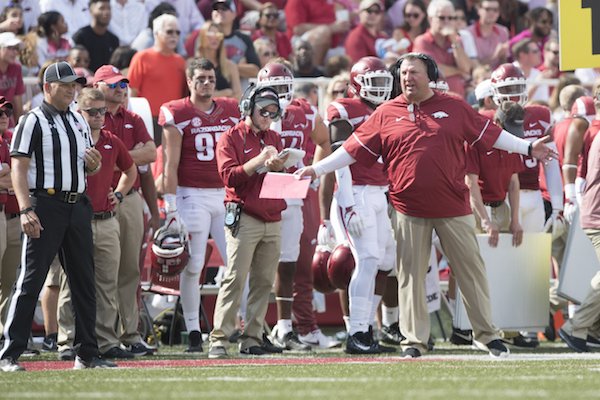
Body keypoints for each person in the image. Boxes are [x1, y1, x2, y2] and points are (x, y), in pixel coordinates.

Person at [296, 52, 557, 359]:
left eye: (414, 72)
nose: (407, 78)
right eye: (403, 73)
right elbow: (352, 150)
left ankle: (486, 335)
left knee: (471, 271)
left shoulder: (454, 105)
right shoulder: (385, 112)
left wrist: (528, 147)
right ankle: (414, 340)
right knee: (409, 277)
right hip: (408, 208)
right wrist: (318, 168)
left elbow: (493, 135)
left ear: (430, 75)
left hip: (454, 207)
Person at [0, 61, 113, 372]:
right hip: (45, 204)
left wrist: (94, 165)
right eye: (64, 85)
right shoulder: (32, 121)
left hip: (77, 205)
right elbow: (19, 168)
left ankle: (87, 353)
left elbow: (90, 165)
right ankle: (9, 353)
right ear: (47, 87)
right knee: (31, 279)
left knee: (84, 281)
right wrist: (25, 208)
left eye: (73, 85)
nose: (70, 90)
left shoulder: (78, 121)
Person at [159, 57, 240, 353]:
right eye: (200, 79)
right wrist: (170, 205)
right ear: (190, 81)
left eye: (210, 78)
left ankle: (231, 325)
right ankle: (193, 330)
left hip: (225, 195)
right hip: (191, 195)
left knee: (236, 263)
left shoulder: (230, 109)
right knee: (193, 266)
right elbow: (170, 162)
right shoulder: (177, 111)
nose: (206, 83)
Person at [255, 60, 332, 351]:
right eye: (272, 88)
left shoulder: (304, 112)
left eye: (282, 88)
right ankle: (248, 327)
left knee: (289, 262)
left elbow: (324, 141)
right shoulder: (251, 113)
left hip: (291, 192)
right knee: (253, 264)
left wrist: (314, 172)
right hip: (259, 193)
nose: (278, 93)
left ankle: (285, 327)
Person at [324, 56, 397, 354]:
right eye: (374, 82)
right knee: (366, 260)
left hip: (379, 193)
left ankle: (366, 328)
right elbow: (340, 160)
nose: (380, 89)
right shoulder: (346, 109)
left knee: (386, 262)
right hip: (357, 193)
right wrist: (349, 203)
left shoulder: (389, 110)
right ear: (356, 84)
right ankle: (356, 333)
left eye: (383, 82)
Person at [208, 85, 286, 358]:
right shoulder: (230, 138)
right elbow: (229, 177)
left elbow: (276, 179)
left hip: (272, 215)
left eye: (273, 112)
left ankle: (252, 337)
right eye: (263, 110)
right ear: (247, 109)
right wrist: (259, 161)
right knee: (235, 277)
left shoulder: (275, 136)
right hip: (244, 215)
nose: (268, 116)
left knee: (265, 281)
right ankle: (219, 337)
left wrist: (283, 167)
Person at [93, 64, 158, 356]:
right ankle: (80, 336)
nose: (121, 90)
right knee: (91, 269)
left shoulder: (132, 117)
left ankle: (129, 334)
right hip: (96, 197)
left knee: (129, 268)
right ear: (98, 87)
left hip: (128, 196)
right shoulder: (89, 117)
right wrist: (122, 158)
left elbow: (152, 153)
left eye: (123, 85)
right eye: (114, 85)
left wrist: (114, 156)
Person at [77, 87, 138, 359]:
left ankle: (107, 341)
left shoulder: (112, 139)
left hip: (107, 218)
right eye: (92, 111)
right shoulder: (71, 139)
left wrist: (119, 194)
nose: (99, 116)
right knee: (73, 283)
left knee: (106, 283)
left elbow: (131, 170)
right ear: (80, 112)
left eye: (102, 111)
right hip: (77, 220)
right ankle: (68, 341)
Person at [465, 100, 524, 248]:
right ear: (497, 122)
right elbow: (471, 183)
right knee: (475, 259)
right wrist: (485, 220)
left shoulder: (513, 142)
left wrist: (515, 220)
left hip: (501, 207)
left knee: (502, 262)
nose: (512, 136)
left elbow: (513, 182)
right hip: (477, 208)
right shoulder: (476, 141)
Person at [128, 13, 186, 140]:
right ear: (156, 33)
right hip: (148, 120)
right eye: (169, 32)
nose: (174, 36)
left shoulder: (181, 61)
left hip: (174, 120)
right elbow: (132, 93)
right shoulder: (142, 57)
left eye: (177, 33)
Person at [412, 0, 471, 97]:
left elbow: (466, 68)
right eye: (441, 18)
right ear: (430, 19)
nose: (447, 21)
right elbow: (433, 71)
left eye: (451, 18)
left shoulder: (456, 40)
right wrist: (459, 71)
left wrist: (454, 41)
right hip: (432, 99)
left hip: (457, 98)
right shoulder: (422, 41)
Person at [185, 22, 242, 99]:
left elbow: (237, 96)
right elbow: (196, 93)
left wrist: (214, 95)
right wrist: (225, 92)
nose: (215, 38)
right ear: (202, 37)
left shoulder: (230, 66)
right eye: (210, 35)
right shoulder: (192, 63)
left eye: (218, 35)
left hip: (224, 110)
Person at [73, 0, 120, 72]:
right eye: (102, 8)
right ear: (91, 11)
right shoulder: (80, 36)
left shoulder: (114, 40)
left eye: (109, 8)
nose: (106, 12)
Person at [465, 0, 508, 70]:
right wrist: (495, 56)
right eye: (487, 9)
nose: (491, 13)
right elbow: (472, 67)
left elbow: (504, 63)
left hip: (498, 77)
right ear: (478, 10)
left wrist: (502, 55)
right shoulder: (468, 33)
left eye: (495, 10)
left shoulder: (503, 31)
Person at [0, 32, 24, 124]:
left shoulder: (16, 68)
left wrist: (18, 125)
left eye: (16, 49)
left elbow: (17, 100)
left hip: (8, 123)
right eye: (10, 48)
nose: (15, 52)